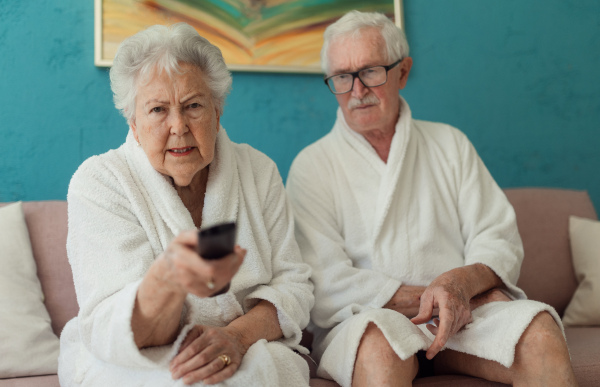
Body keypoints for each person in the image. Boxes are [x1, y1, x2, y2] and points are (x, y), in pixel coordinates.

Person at [286, 10, 578, 387]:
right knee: (377, 350)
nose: (357, 91)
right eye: (342, 77)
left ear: (403, 72)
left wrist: (461, 285)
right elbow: (325, 283)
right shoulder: (312, 166)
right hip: (369, 319)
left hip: (465, 321)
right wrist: (452, 297)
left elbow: (497, 236)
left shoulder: (449, 144)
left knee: (540, 332)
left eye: (371, 72)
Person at [58, 23, 314, 387]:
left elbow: (294, 286)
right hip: (137, 354)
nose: (178, 126)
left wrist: (236, 338)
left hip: (246, 341)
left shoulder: (258, 171)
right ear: (133, 122)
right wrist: (168, 281)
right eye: (158, 110)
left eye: (193, 106)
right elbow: (117, 330)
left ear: (217, 111)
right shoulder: (100, 182)